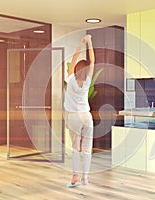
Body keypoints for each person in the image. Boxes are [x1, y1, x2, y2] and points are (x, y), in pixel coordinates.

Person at [64, 35, 95, 187]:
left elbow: (75, 58)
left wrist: (81, 43)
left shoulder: (70, 80)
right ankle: (85, 179)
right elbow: (92, 61)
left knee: (76, 148)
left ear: (76, 69)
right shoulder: (88, 81)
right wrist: (89, 42)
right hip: (86, 117)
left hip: (74, 117)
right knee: (87, 149)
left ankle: (75, 177)